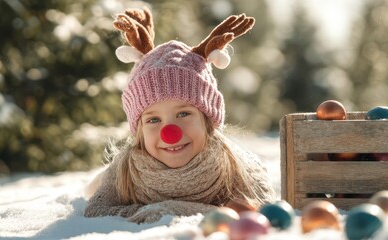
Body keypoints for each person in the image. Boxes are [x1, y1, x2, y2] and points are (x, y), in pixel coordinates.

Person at [84, 6, 276, 224]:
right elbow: (96, 209)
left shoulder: (233, 166)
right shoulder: (125, 169)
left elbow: (263, 208)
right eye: (153, 120)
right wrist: (143, 212)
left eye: (184, 113)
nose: (170, 132)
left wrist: (173, 209)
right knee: (95, 186)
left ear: (208, 121)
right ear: (139, 130)